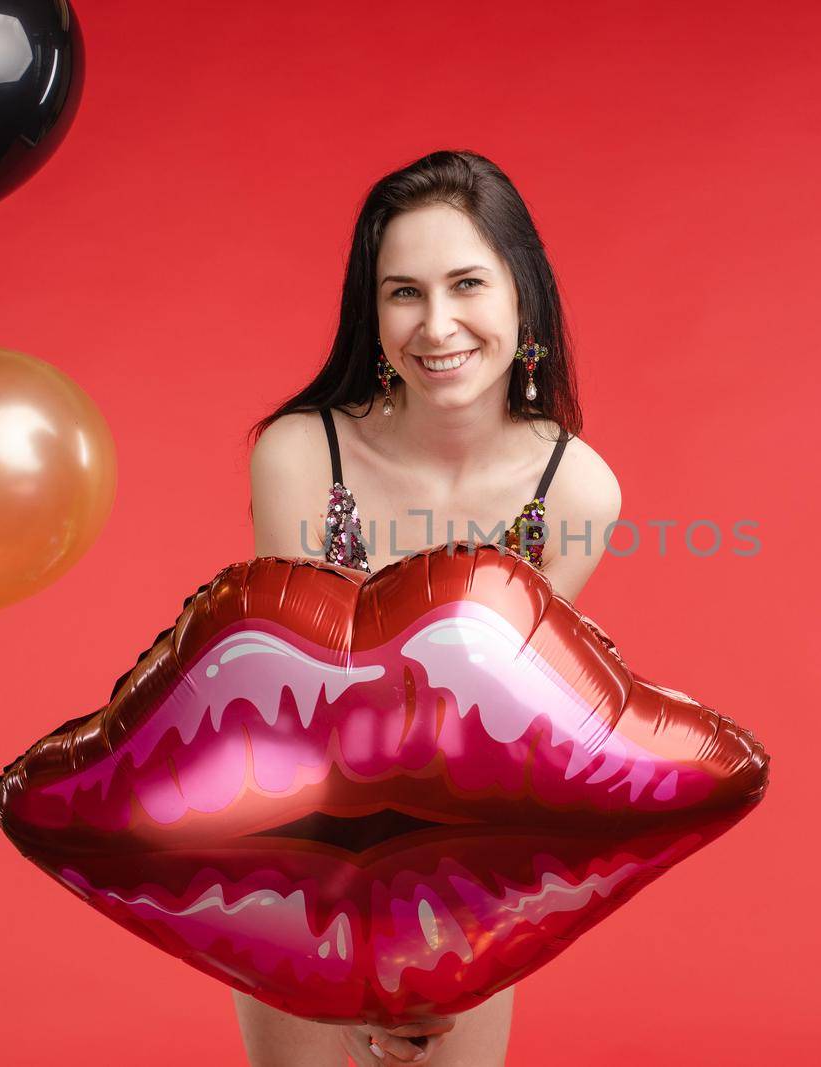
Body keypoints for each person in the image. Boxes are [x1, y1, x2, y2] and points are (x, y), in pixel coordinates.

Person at [240, 150, 622, 1066]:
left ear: (521, 297)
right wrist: (360, 963)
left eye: (466, 284)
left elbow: (491, 735)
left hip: (460, 865)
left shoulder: (574, 492)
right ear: (372, 315)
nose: (437, 323)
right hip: (297, 855)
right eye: (403, 291)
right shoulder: (302, 454)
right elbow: (307, 709)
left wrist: (423, 947)